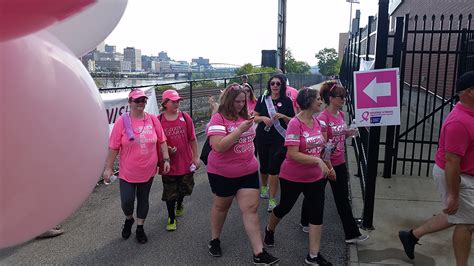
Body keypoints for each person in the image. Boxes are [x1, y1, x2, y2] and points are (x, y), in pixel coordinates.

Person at [399, 71, 474, 266]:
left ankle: (412, 236)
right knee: (466, 223)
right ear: (469, 92)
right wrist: (454, 195)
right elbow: (451, 162)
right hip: (458, 175)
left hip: (465, 173)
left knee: (456, 216)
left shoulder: (470, 113)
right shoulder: (459, 122)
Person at [206, 83, 279, 265]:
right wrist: (239, 130)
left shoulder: (246, 115)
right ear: (229, 101)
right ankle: (215, 239)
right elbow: (219, 146)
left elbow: (251, 138)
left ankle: (259, 253)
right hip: (223, 173)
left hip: (247, 170)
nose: (240, 105)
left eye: (243, 101)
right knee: (222, 207)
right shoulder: (218, 118)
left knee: (250, 210)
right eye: (237, 101)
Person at [263, 87, 332, 265]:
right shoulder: (295, 123)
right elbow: (292, 154)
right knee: (284, 207)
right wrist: (317, 161)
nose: (320, 101)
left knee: (317, 213)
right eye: (317, 98)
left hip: (315, 178)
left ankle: (314, 255)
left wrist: (327, 164)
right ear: (308, 101)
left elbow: (320, 148)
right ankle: (270, 229)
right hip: (293, 177)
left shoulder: (317, 122)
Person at [300, 81, 369, 243]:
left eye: (345, 96)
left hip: (339, 161)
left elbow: (340, 135)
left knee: (342, 198)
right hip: (325, 163)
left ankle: (352, 234)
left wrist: (349, 133)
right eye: (341, 97)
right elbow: (323, 143)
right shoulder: (323, 118)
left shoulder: (341, 115)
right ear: (331, 98)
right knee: (314, 194)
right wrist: (328, 166)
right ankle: (305, 221)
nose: (344, 100)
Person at [103, 89, 170, 244]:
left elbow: (162, 140)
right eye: (137, 100)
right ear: (130, 103)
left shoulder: (153, 120)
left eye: (143, 100)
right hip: (128, 171)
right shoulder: (122, 121)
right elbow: (114, 146)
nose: (141, 103)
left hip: (148, 169)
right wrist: (108, 168)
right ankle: (129, 219)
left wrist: (166, 159)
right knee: (126, 201)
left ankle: (140, 227)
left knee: (143, 199)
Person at [158, 89, 199, 231]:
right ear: (165, 103)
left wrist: (195, 157)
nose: (176, 104)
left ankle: (179, 203)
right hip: (168, 164)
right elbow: (156, 142)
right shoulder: (159, 120)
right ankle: (171, 217)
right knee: (170, 192)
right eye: (173, 101)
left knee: (185, 189)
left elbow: (192, 139)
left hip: (185, 162)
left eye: (177, 101)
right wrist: (166, 151)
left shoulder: (185, 117)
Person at [254, 74, 295, 211]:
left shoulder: (287, 101)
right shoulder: (262, 99)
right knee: (264, 166)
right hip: (263, 136)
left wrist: (283, 116)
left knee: (274, 167)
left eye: (278, 83)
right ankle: (264, 186)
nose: (275, 86)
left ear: (282, 85)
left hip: (279, 138)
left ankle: (272, 199)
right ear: (269, 85)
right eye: (273, 83)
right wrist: (263, 118)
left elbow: (293, 121)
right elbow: (254, 117)